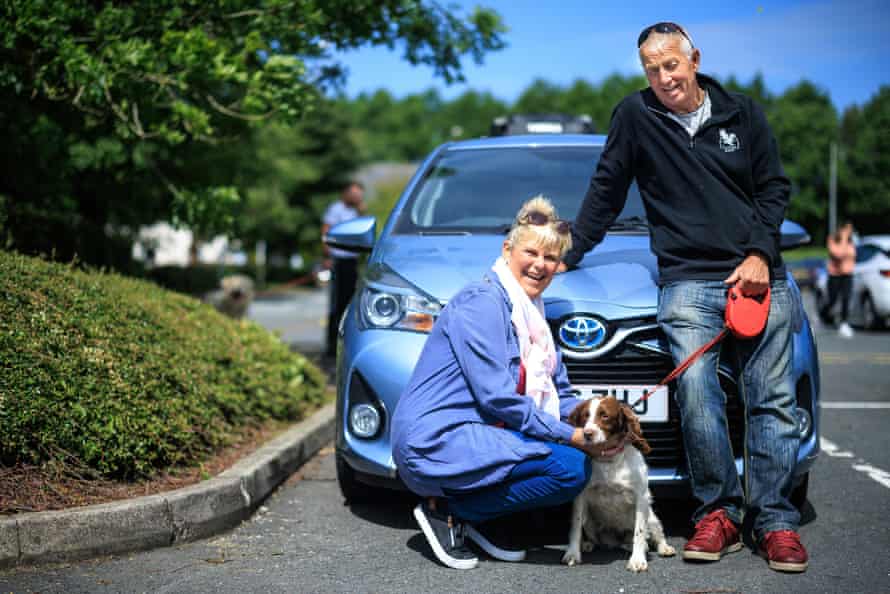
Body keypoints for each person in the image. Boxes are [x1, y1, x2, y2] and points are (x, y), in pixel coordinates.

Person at [559, 22, 808, 573]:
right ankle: (716, 513)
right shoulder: (635, 116)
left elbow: (773, 189)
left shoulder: (742, 114)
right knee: (696, 392)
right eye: (652, 68)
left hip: (757, 277)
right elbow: (606, 190)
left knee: (772, 401)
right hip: (687, 280)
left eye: (671, 64)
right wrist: (565, 254)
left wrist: (761, 254)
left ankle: (774, 522)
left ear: (694, 59)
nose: (664, 77)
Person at [391, 196, 612, 570]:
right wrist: (568, 437)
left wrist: (593, 429)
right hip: (437, 440)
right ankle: (451, 512)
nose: (541, 266)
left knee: (573, 458)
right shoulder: (482, 303)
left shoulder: (535, 317)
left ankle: (478, 519)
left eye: (551, 258)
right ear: (507, 249)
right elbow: (498, 399)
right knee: (569, 468)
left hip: (481, 434)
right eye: (532, 253)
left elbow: (560, 388)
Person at [322, 181, 366, 361]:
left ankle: (346, 343)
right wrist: (327, 256)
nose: (357, 197)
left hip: (352, 260)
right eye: (354, 194)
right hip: (339, 261)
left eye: (360, 194)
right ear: (345, 193)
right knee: (337, 304)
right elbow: (326, 231)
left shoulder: (357, 212)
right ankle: (331, 347)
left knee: (351, 304)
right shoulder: (336, 209)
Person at [820, 221, 857, 338]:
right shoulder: (833, 239)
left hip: (847, 274)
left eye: (851, 230)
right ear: (841, 229)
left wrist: (847, 239)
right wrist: (844, 238)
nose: (850, 232)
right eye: (848, 229)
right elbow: (839, 254)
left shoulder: (851, 241)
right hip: (835, 275)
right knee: (833, 300)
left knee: (846, 298)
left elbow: (853, 255)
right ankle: (823, 315)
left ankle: (844, 323)